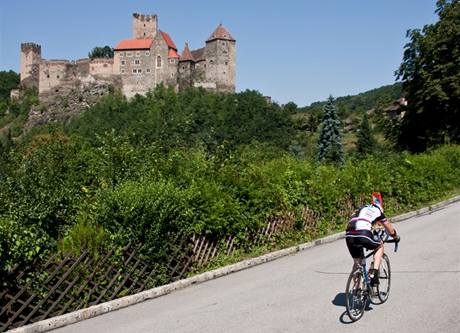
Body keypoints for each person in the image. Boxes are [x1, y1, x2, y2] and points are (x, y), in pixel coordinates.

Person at [345, 192, 400, 286]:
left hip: (349, 234)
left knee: (357, 262)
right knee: (380, 245)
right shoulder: (378, 211)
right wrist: (395, 237)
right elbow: (390, 230)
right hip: (363, 233)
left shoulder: (359, 210)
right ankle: (374, 273)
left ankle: (356, 289)